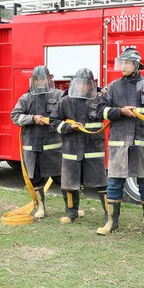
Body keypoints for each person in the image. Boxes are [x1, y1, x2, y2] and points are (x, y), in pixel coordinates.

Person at [96, 48, 144, 239]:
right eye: (121, 62)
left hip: (143, 144)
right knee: (114, 184)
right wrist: (119, 112)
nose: (122, 66)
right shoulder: (114, 87)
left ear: (137, 64)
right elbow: (99, 111)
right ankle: (111, 222)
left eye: (127, 63)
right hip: (119, 144)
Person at [49, 68, 108, 224]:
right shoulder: (65, 101)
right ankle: (71, 213)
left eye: (86, 84)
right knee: (69, 183)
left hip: (94, 150)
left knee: (102, 183)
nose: (82, 86)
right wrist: (69, 128)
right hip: (71, 150)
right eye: (79, 83)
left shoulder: (99, 100)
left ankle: (110, 214)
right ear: (74, 83)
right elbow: (53, 122)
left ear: (91, 85)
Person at [11, 66, 63, 219]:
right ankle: (41, 207)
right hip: (32, 148)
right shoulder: (26, 98)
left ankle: (71, 208)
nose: (40, 82)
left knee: (62, 177)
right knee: (36, 178)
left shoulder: (59, 95)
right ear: (33, 81)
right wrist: (32, 119)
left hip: (54, 148)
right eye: (37, 80)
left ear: (49, 79)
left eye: (43, 79)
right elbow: (15, 117)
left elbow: (72, 104)